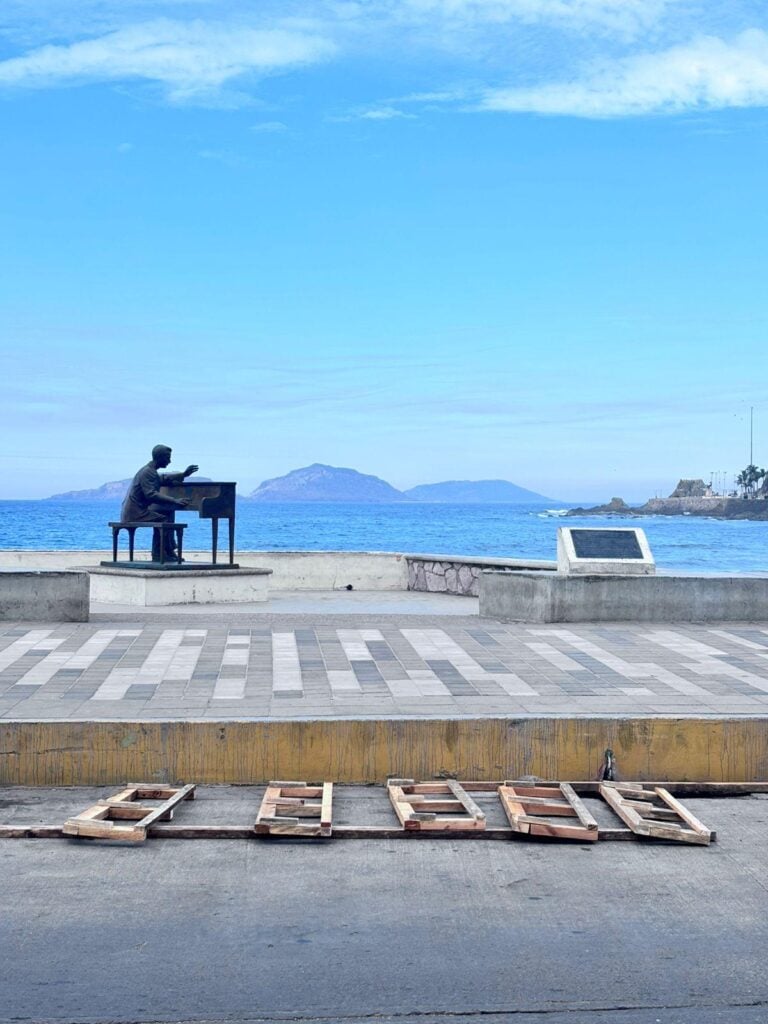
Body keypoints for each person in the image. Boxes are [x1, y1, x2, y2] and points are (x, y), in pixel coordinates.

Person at [120, 445, 199, 562]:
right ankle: (159, 554)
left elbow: (163, 478)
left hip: (137, 510)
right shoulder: (148, 472)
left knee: (167, 516)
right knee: (163, 520)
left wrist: (183, 474)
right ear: (160, 458)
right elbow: (151, 494)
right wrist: (174, 500)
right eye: (167, 457)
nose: (169, 461)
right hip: (134, 513)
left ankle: (167, 551)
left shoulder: (150, 471)